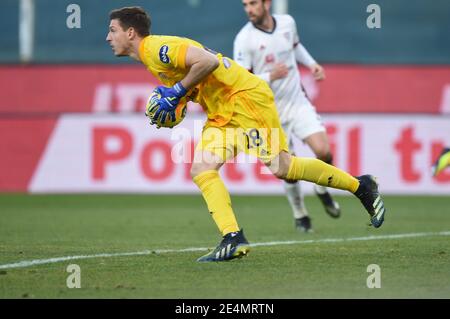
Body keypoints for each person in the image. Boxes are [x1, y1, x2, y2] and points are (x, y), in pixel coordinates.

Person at [106, 6, 386, 262]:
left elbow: (207, 62)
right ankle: (232, 237)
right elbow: (195, 81)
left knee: (283, 167)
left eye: (113, 30)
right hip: (222, 108)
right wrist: (177, 104)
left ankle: (361, 187)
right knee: (202, 168)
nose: (109, 37)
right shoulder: (151, 59)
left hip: (244, 97)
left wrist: (176, 92)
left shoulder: (157, 48)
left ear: (131, 33)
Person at [234, 0, 339, 233]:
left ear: (266, 4)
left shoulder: (287, 23)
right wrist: (270, 76)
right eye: (245, 5)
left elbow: (295, 46)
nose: (249, 9)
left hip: (297, 103)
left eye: (253, 3)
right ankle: (300, 213)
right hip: (269, 114)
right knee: (288, 170)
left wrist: (312, 64)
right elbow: (239, 82)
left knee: (324, 151)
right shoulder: (244, 39)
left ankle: (321, 189)